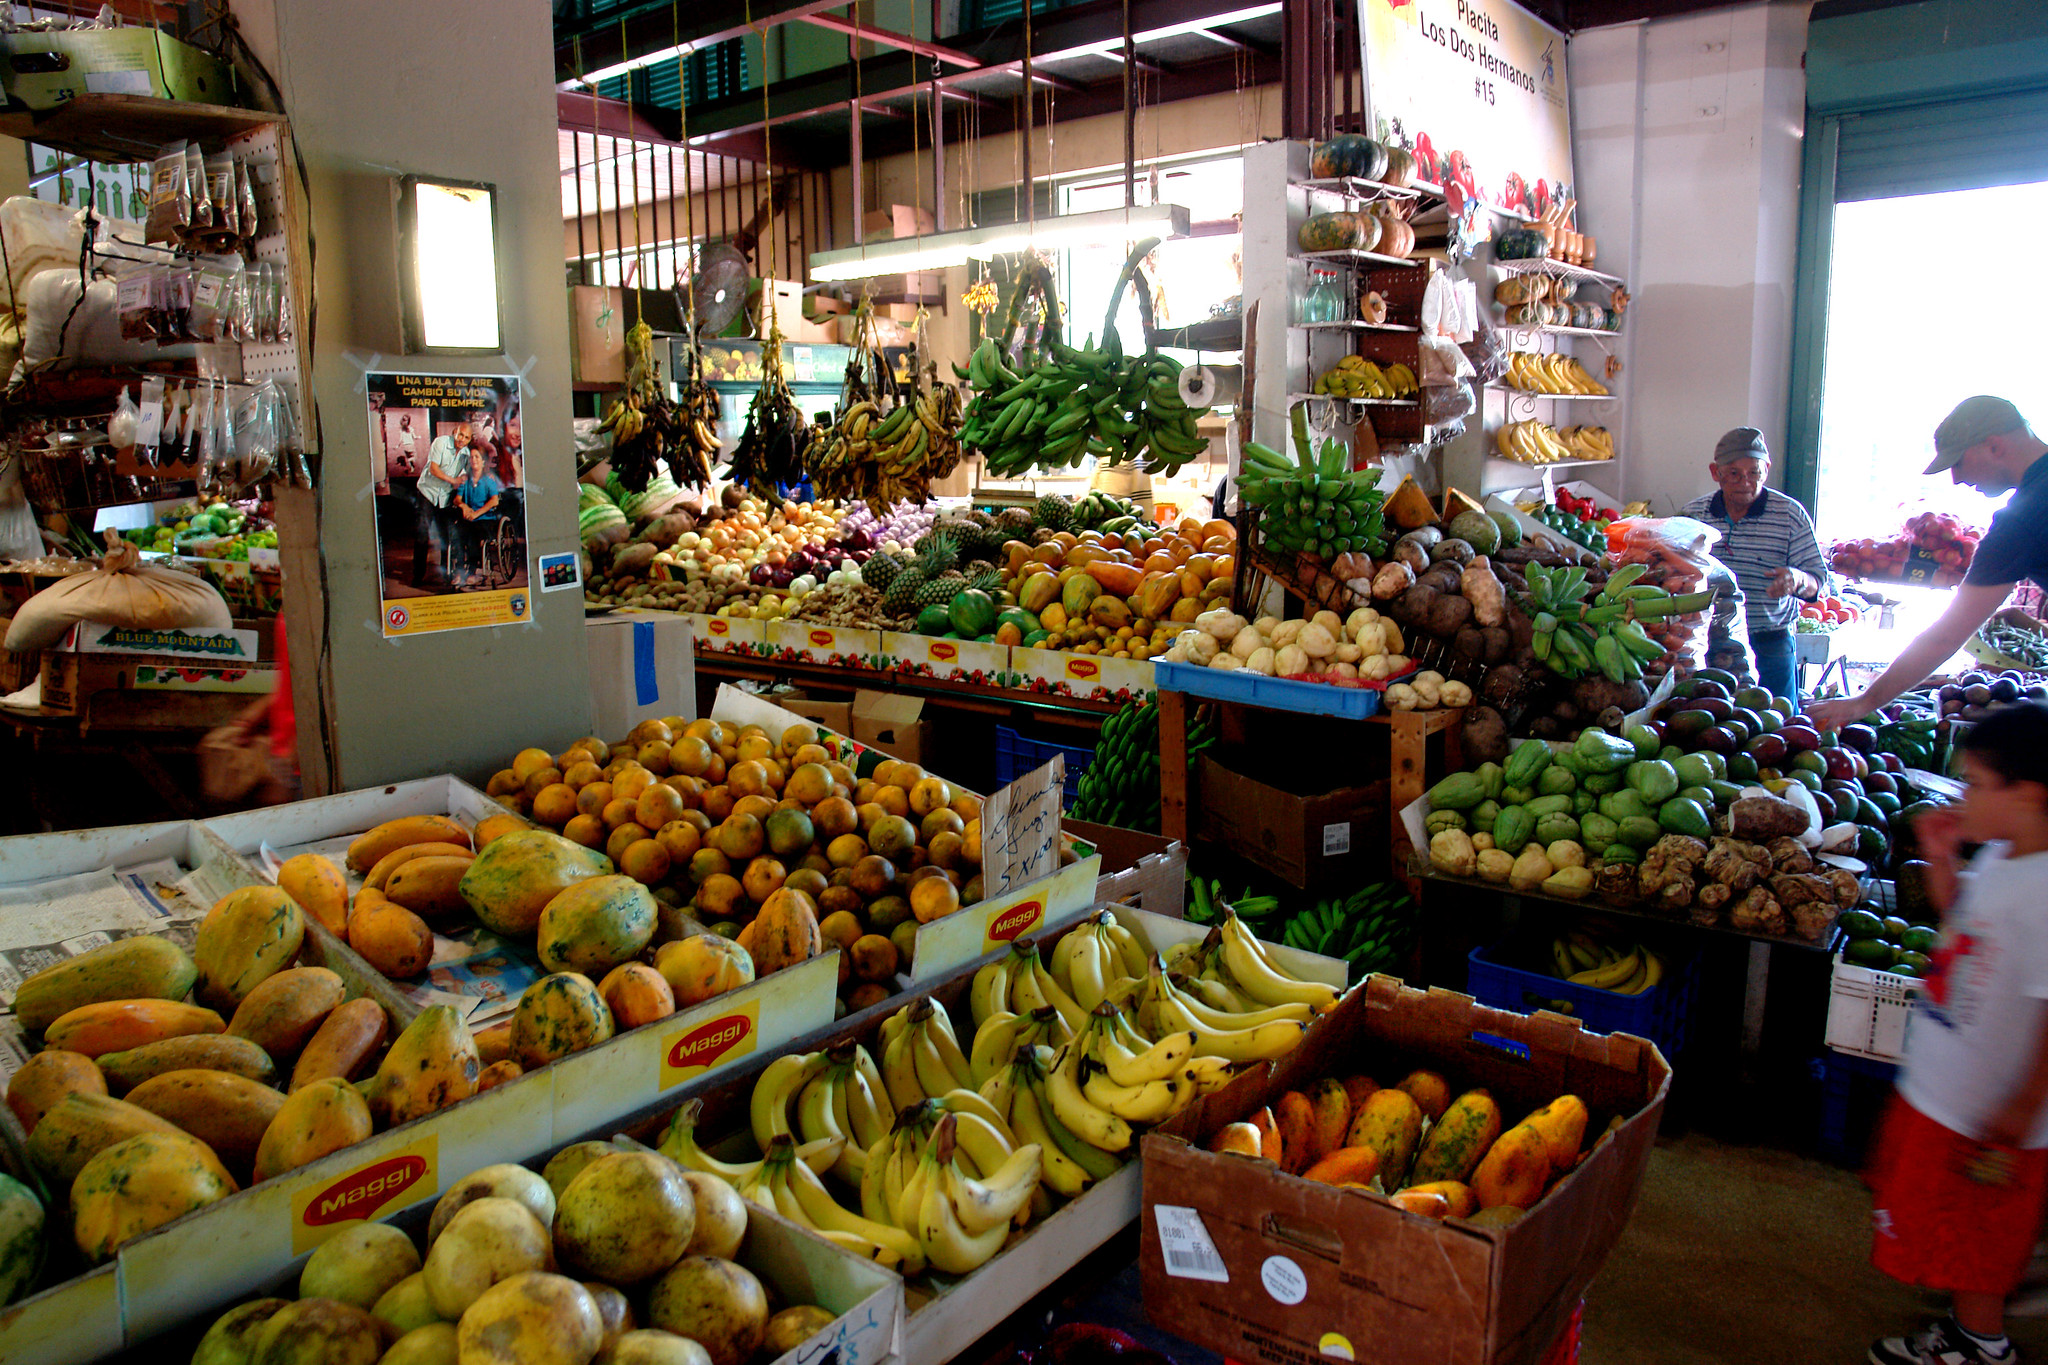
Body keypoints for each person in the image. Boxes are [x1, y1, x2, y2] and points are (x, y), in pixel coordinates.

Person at [1865, 701, 2048, 1365]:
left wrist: (2021, 1109)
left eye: (1974, 782)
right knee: (1948, 1223)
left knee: (1977, 1243)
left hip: (1991, 1118)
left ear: (2026, 794)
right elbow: (1960, 920)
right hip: (1947, 1091)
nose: (1962, 794)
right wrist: (1941, 856)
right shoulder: (2002, 855)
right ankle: (1968, 1321)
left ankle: (1981, 1344)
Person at [1813, 397, 2048, 732]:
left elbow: (1947, 635)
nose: (1956, 479)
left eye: (1959, 463)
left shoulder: (2021, 521)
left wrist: (1864, 702)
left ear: (1994, 446)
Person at [1680, 427, 1831, 701]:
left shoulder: (1790, 515)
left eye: (1755, 473)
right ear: (1716, 473)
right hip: (1707, 642)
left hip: (1769, 642)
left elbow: (1818, 580)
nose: (1746, 482)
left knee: (1779, 724)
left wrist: (1796, 579)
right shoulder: (1693, 515)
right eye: (1734, 474)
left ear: (1767, 470)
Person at [413, 423, 471, 587]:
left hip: (444, 498)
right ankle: (418, 576)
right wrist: (453, 480)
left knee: (446, 537)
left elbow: (464, 476)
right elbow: (433, 469)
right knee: (422, 535)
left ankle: (445, 573)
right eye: (460, 435)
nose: (462, 440)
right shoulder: (440, 442)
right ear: (455, 433)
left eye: (466, 437)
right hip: (427, 493)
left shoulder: (466, 454)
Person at [452, 445, 502, 588]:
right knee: (458, 533)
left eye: (477, 457)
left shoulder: (489, 480)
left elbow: (494, 500)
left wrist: (477, 513)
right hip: (468, 517)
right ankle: (460, 571)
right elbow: (457, 499)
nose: (473, 460)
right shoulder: (465, 480)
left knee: (474, 535)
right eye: (471, 457)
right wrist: (464, 506)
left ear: (483, 461)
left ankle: (472, 572)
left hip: (485, 519)